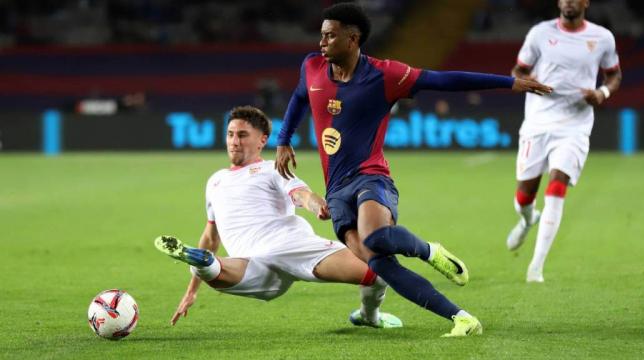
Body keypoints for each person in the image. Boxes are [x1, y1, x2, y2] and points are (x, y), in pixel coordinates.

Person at [274, 3, 553, 336]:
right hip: (335, 191)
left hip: (370, 177)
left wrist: (509, 83)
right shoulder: (312, 67)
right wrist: (283, 139)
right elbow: (299, 96)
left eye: (330, 36)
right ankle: (462, 318)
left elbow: (444, 81)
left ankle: (428, 250)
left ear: (353, 38)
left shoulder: (385, 75)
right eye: (321, 35)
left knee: (375, 237)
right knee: (378, 263)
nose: (322, 42)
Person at [155, 105, 402, 329]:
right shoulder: (215, 181)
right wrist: (191, 291)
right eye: (230, 134)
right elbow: (210, 236)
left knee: (216, 271)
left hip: (287, 246)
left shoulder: (273, 168)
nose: (234, 141)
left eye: (242, 135)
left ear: (262, 140)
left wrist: (315, 204)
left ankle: (205, 265)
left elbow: (300, 194)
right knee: (380, 272)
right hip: (254, 259)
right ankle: (370, 315)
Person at [506, 0, 621, 282]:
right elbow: (516, 71)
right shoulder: (540, 33)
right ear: (559, 3)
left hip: (575, 125)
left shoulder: (602, 37)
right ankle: (527, 218)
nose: (569, 2)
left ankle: (536, 266)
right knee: (525, 196)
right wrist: (525, 79)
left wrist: (603, 93)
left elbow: (614, 74)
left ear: (585, 3)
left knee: (557, 185)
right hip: (538, 122)